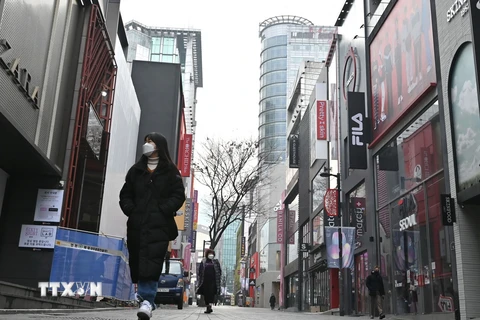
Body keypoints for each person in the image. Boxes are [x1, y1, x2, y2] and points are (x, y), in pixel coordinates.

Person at [119, 132, 186, 320]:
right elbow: (125, 194)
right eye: (146, 141)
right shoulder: (136, 170)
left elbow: (178, 195)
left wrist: (164, 209)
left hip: (160, 225)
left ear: (159, 146)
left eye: (151, 142)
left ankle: (147, 301)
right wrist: (131, 210)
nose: (147, 145)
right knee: (139, 261)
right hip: (137, 225)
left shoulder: (171, 171)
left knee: (152, 262)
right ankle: (144, 300)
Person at [196, 249, 222, 314]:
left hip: (213, 281)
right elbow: (200, 271)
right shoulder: (204, 261)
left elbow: (219, 271)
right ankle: (208, 306)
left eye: (212, 254)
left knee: (211, 293)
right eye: (209, 253)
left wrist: (219, 278)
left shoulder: (216, 262)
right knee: (206, 294)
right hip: (205, 281)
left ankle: (209, 306)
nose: (211, 255)